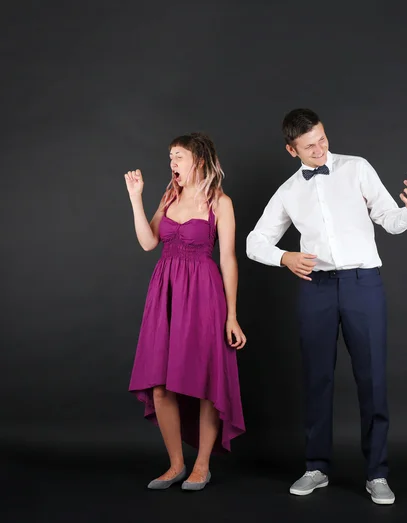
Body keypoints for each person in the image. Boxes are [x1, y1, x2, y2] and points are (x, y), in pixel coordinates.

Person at [246, 108, 407, 505]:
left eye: (323, 139)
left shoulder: (357, 168)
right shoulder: (289, 192)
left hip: (363, 284)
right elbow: (254, 241)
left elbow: (388, 219)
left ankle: (377, 473)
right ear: (291, 150)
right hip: (317, 289)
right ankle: (316, 466)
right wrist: (285, 258)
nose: (321, 149)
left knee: (372, 379)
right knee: (317, 380)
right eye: (310, 147)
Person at [125, 132, 246, 491]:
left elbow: (227, 259)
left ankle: (202, 465)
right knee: (160, 384)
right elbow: (149, 243)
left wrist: (232, 315)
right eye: (171, 158)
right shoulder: (168, 197)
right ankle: (176, 463)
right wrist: (136, 199)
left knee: (208, 382)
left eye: (178, 157)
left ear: (200, 159)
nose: (172, 164)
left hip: (204, 295)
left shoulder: (220, 202)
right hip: (165, 294)